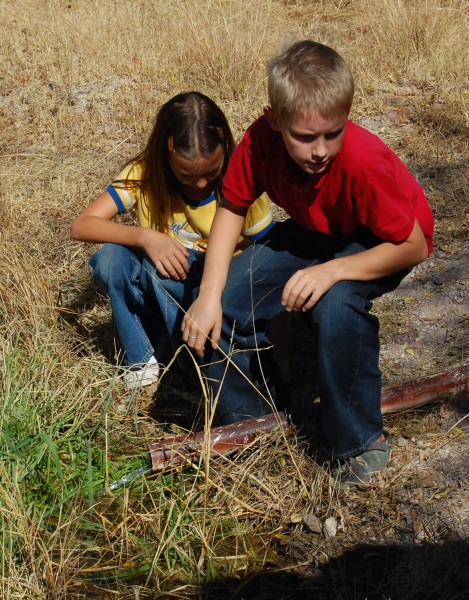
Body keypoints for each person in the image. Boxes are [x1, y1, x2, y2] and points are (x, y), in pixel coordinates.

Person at [182, 41, 434, 484]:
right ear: (274, 119)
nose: (320, 150)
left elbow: (413, 245)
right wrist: (207, 295)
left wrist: (333, 269)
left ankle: (357, 440)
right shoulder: (261, 141)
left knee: (334, 304)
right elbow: (231, 209)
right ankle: (256, 416)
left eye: (332, 133)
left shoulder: (362, 161)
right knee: (225, 300)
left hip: (380, 241)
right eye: (304, 137)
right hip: (318, 231)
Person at [70, 91, 274, 392]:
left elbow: (269, 257)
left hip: (216, 294)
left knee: (159, 269)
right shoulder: (145, 173)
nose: (201, 183)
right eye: (187, 175)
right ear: (166, 155)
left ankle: (187, 359)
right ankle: (142, 359)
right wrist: (146, 237)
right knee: (110, 258)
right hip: (164, 287)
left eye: (211, 172)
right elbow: (82, 225)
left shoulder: (240, 180)